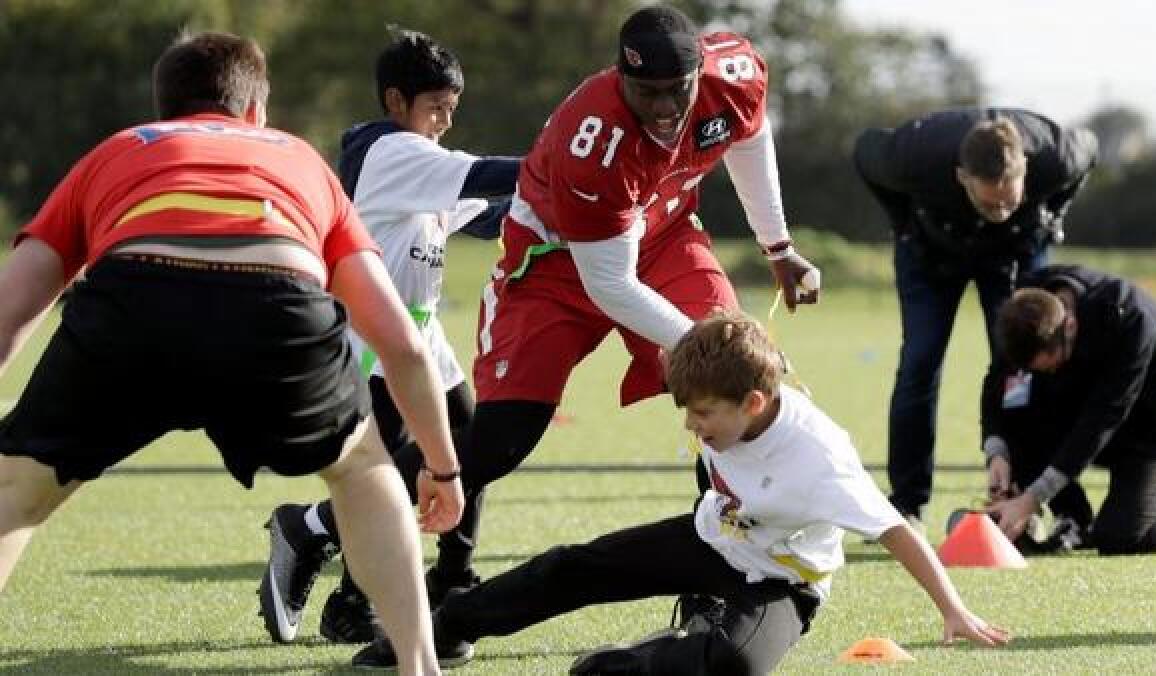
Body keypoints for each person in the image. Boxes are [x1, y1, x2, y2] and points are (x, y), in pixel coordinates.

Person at [0, 31, 463, 675]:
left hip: (137, 300)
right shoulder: (299, 159)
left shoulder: (120, 149)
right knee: (362, 472)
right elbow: (403, 344)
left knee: (15, 491)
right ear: (256, 114)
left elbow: (8, 314)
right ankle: (420, 668)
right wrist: (442, 470)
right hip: (275, 302)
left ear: (162, 111)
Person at [411, 3, 823, 615]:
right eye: (644, 91)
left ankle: (718, 579)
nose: (661, 107)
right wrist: (710, 346)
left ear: (701, 70)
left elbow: (750, 132)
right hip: (555, 262)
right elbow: (611, 284)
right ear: (619, 77)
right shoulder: (593, 137)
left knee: (731, 398)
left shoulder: (732, 72)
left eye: (673, 90)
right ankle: (325, 531)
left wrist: (779, 247)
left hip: (664, 235)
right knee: (500, 440)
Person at [354, 311, 1011, 672]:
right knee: (571, 568)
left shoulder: (821, 461)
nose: (692, 427)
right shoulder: (731, 404)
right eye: (686, 411)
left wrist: (953, 611)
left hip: (780, 580)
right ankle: (432, 635)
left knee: (736, 667)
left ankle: (634, 663)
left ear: (754, 403)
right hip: (712, 537)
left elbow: (896, 529)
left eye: (703, 415)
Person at [257, 29, 520, 646]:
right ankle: (316, 540)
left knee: (469, 446)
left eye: (452, 111)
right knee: (383, 477)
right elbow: (493, 174)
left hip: (423, 341)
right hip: (371, 345)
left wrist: (589, 208)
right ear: (396, 101)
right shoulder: (392, 153)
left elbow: (494, 213)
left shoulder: (420, 161)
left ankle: (451, 580)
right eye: (436, 109)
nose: (445, 124)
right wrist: (577, 168)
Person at [853, 108, 1097, 528]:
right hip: (929, 253)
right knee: (920, 362)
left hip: (1014, 253)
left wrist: (1052, 217)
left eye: (1011, 198)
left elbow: (1090, 148)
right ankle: (907, 504)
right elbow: (863, 151)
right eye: (991, 201)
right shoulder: (912, 155)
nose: (1001, 209)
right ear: (962, 177)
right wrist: (903, 225)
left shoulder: (1056, 155)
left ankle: (1031, 497)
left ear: (1026, 169)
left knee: (1024, 362)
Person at [983, 264, 1156, 555]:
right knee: (1023, 414)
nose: (1051, 373)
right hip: (1085, 418)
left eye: (1054, 365)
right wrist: (998, 452)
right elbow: (1000, 380)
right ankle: (1073, 520)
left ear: (1070, 325)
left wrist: (1033, 497)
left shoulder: (1129, 314)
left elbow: (1103, 417)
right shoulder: (1023, 310)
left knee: (1121, 539)